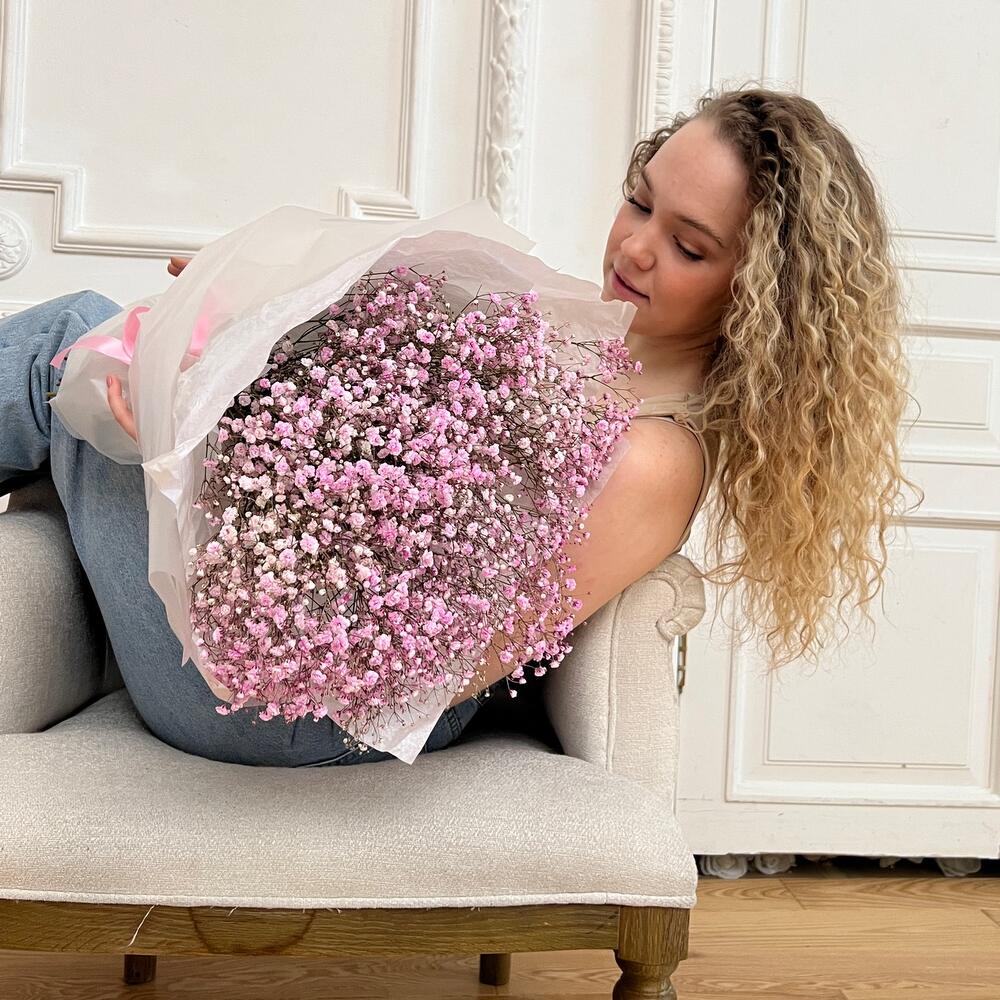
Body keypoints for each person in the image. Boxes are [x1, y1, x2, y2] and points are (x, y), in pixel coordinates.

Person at [0, 85, 922, 766]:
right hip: (280, 628)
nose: (636, 247)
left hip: (295, 710)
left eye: (688, 245)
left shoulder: (658, 457)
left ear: (759, 295)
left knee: (71, 337)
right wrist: (237, 332)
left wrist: (184, 453)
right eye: (640, 201)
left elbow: (448, 664)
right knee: (121, 344)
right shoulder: (565, 338)